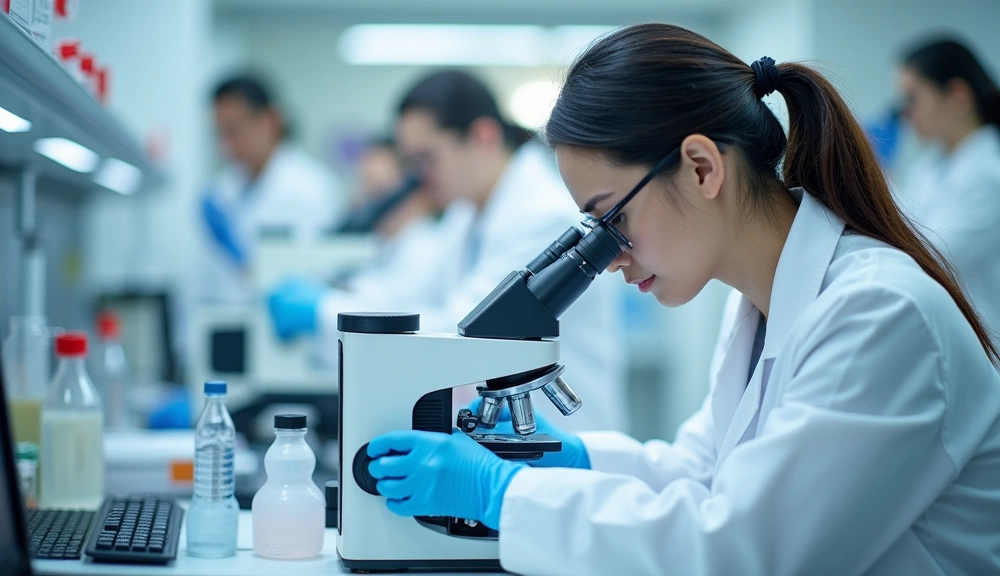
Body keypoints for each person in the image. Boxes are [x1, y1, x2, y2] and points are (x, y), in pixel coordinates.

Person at [363, 24, 1000, 575]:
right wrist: (577, 459)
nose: (609, 256)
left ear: (701, 167)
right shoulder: (758, 302)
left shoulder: (881, 313)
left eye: (611, 217)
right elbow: (703, 473)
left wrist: (505, 493)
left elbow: (741, 552)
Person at [268, 71, 628, 432]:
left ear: (483, 136)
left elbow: (466, 332)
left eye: (427, 158)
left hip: (567, 442)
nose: (420, 178)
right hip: (505, 431)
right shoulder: (466, 213)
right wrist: (333, 300)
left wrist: (322, 312)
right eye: (411, 162)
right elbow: (409, 296)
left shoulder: (542, 214)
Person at [198, 74, 343, 305]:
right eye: (220, 133)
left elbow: (320, 273)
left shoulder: (312, 189)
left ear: (270, 120)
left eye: (234, 130)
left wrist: (249, 267)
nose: (226, 145)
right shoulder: (221, 192)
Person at [894, 38, 1000, 349]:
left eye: (912, 98)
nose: (906, 114)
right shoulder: (929, 168)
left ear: (957, 94)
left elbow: (928, 257)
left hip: (987, 348)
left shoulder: (990, 173)